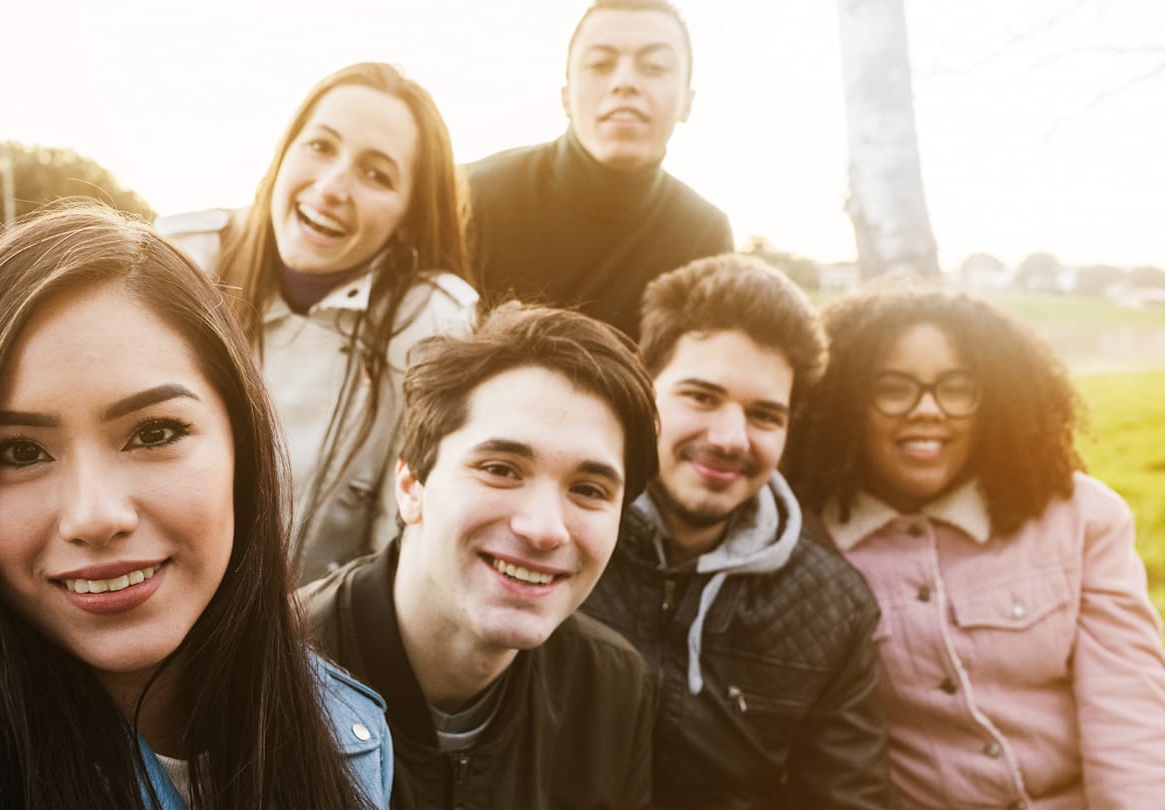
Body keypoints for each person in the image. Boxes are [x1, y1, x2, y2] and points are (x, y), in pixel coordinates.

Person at [0, 204, 391, 810]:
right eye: (21, 451)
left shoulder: (344, 731)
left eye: (155, 433)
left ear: (241, 447)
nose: (94, 515)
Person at [787, 285, 1165, 809]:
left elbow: (1129, 717)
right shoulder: (802, 547)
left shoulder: (1081, 517)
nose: (927, 410)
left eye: (957, 387)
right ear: (846, 401)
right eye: (892, 388)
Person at [298, 303, 659, 809]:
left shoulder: (611, 687)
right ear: (410, 486)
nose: (544, 529)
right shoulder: (268, 674)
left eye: (589, 490)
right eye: (500, 469)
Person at [582, 255, 896, 808]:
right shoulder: (555, 543)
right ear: (643, 389)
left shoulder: (834, 606)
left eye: (765, 415)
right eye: (701, 397)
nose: (731, 438)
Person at [165, 63, 477, 583]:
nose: (332, 187)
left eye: (376, 174)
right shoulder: (185, 260)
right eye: (320, 147)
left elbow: (406, 540)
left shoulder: (432, 320)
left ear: (408, 216)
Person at [467, 0, 731, 340]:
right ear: (566, 97)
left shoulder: (704, 233)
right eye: (599, 64)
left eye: (654, 66)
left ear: (687, 102)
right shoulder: (472, 193)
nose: (624, 82)